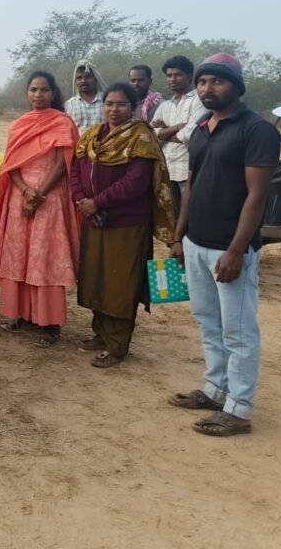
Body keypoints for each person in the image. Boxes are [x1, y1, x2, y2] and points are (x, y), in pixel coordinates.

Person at [169, 54, 281, 437]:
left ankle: (240, 409)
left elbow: (257, 196)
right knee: (208, 322)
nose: (207, 88)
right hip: (196, 242)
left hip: (230, 248)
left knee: (238, 330)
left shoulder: (257, 130)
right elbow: (191, 186)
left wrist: (236, 250)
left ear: (237, 86)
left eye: (217, 81)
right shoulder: (202, 127)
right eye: (202, 82)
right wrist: (179, 236)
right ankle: (216, 390)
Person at [71, 82, 175, 368]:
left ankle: (117, 345)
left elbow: (136, 182)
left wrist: (98, 202)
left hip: (127, 224)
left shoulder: (141, 137)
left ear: (133, 107)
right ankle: (101, 334)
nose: (114, 109)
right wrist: (81, 200)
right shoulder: (92, 136)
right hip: (94, 220)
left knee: (120, 283)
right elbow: (75, 170)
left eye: (121, 104)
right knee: (96, 278)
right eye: (109, 104)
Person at [0, 71, 81, 347]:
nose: (38, 95)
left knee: (45, 257)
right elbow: (10, 164)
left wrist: (39, 194)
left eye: (44, 90)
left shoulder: (62, 123)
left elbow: (63, 165)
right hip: (19, 196)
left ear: (53, 92)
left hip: (50, 199)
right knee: (19, 255)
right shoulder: (19, 125)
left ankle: (50, 323)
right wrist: (26, 192)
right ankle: (21, 313)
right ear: (27, 93)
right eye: (33, 90)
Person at [151, 55, 206, 218]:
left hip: (188, 171)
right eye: (169, 75)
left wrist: (164, 131)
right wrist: (175, 127)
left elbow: (190, 134)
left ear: (189, 76)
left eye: (177, 75)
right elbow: (151, 136)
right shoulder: (164, 106)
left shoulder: (200, 100)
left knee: (191, 217)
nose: (172, 79)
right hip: (167, 170)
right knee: (171, 218)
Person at [64, 60, 105, 135]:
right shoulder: (69, 105)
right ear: (75, 81)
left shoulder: (107, 102)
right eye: (79, 78)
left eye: (88, 77)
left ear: (95, 79)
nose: (83, 81)